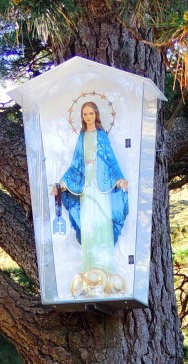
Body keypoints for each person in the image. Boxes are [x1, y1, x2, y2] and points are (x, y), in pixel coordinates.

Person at [51, 101, 129, 295]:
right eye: (84, 114)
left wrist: (119, 180)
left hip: (100, 185)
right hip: (87, 185)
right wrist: (62, 184)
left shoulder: (102, 136)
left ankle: (106, 273)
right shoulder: (82, 137)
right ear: (82, 116)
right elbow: (76, 164)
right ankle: (89, 275)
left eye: (91, 113)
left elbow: (110, 160)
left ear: (96, 115)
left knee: (102, 223)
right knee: (89, 225)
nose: (88, 117)